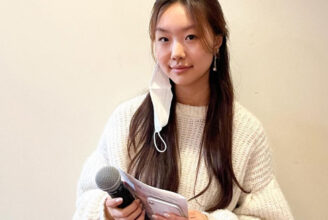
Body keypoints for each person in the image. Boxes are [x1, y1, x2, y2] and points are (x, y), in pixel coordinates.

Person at [73, 0, 294, 219]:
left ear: (217, 41)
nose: (176, 52)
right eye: (164, 39)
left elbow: (273, 216)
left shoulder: (245, 132)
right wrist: (107, 212)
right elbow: (85, 199)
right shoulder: (127, 119)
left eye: (190, 37)